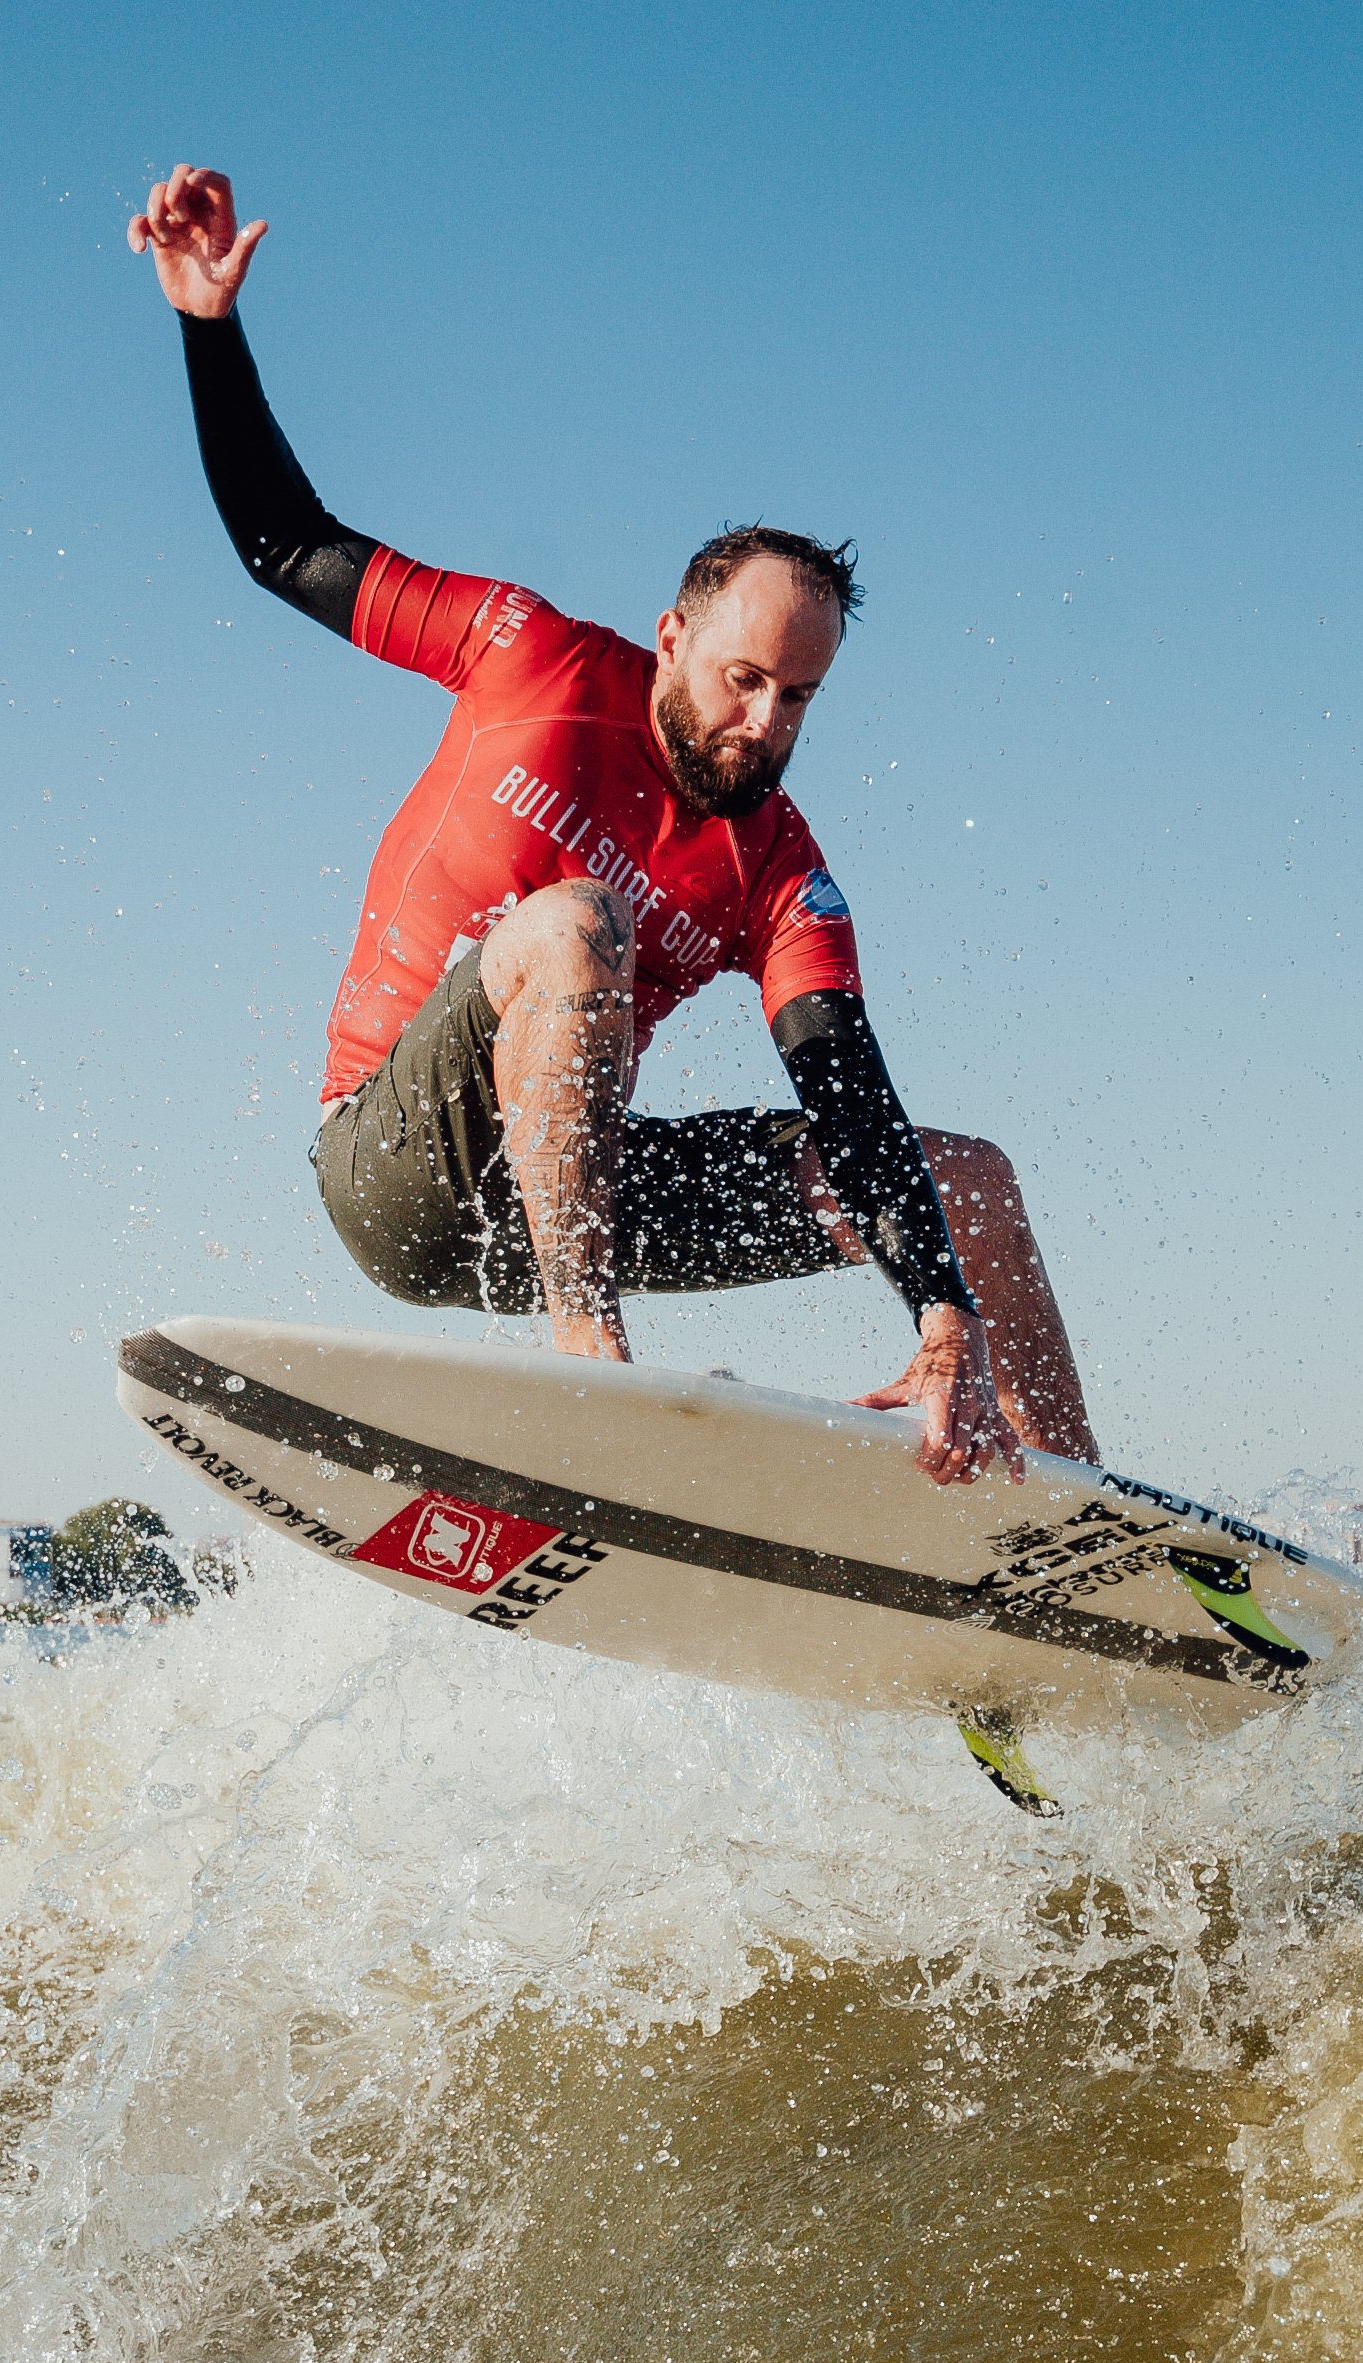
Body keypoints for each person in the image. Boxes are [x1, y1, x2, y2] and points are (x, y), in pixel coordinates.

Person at [129, 163, 1096, 1485]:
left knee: (966, 1187)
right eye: (742, 682)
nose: (766, 724)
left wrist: (942, 1318)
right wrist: (207, 326)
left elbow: (847, 1089)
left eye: (799, 698)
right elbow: (283, 544)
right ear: (672, 640)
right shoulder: (525, 653)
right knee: (579, 923)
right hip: (402, 1169)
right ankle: (595, 1377)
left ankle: (1069, 1534)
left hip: (585, 1193)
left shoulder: (781, 866)